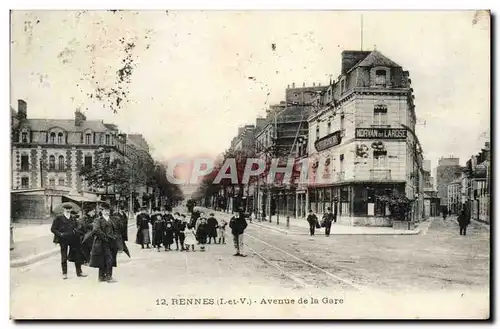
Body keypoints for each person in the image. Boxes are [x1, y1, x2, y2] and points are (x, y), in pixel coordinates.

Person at [50, 203, 87, 280]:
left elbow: (77, 226)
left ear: (71, 210)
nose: (68, 210)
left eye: (69, 209)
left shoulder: (73, 217)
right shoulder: (59, 218)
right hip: (63, 239)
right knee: (64, 256)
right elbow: (53, 229)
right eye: (66, 209)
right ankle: (64, 273)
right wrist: (60, 234)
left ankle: (79, 272)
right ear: (63, 209)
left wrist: (75, 231)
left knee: (77, 255)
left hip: (73, 238)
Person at [88, 203, 123, 283]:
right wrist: (105, 237)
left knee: (110, 259)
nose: (107, 212)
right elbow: (96, 230)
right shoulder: (98, 220)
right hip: (102, 242)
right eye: (105, 210)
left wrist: (115, 238)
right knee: (105, 259)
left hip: (112, 243)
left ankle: (104, 276)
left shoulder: (113, 219)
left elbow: (118, 229)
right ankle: (105, 277)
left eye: (108, 210)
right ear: (102, 211)